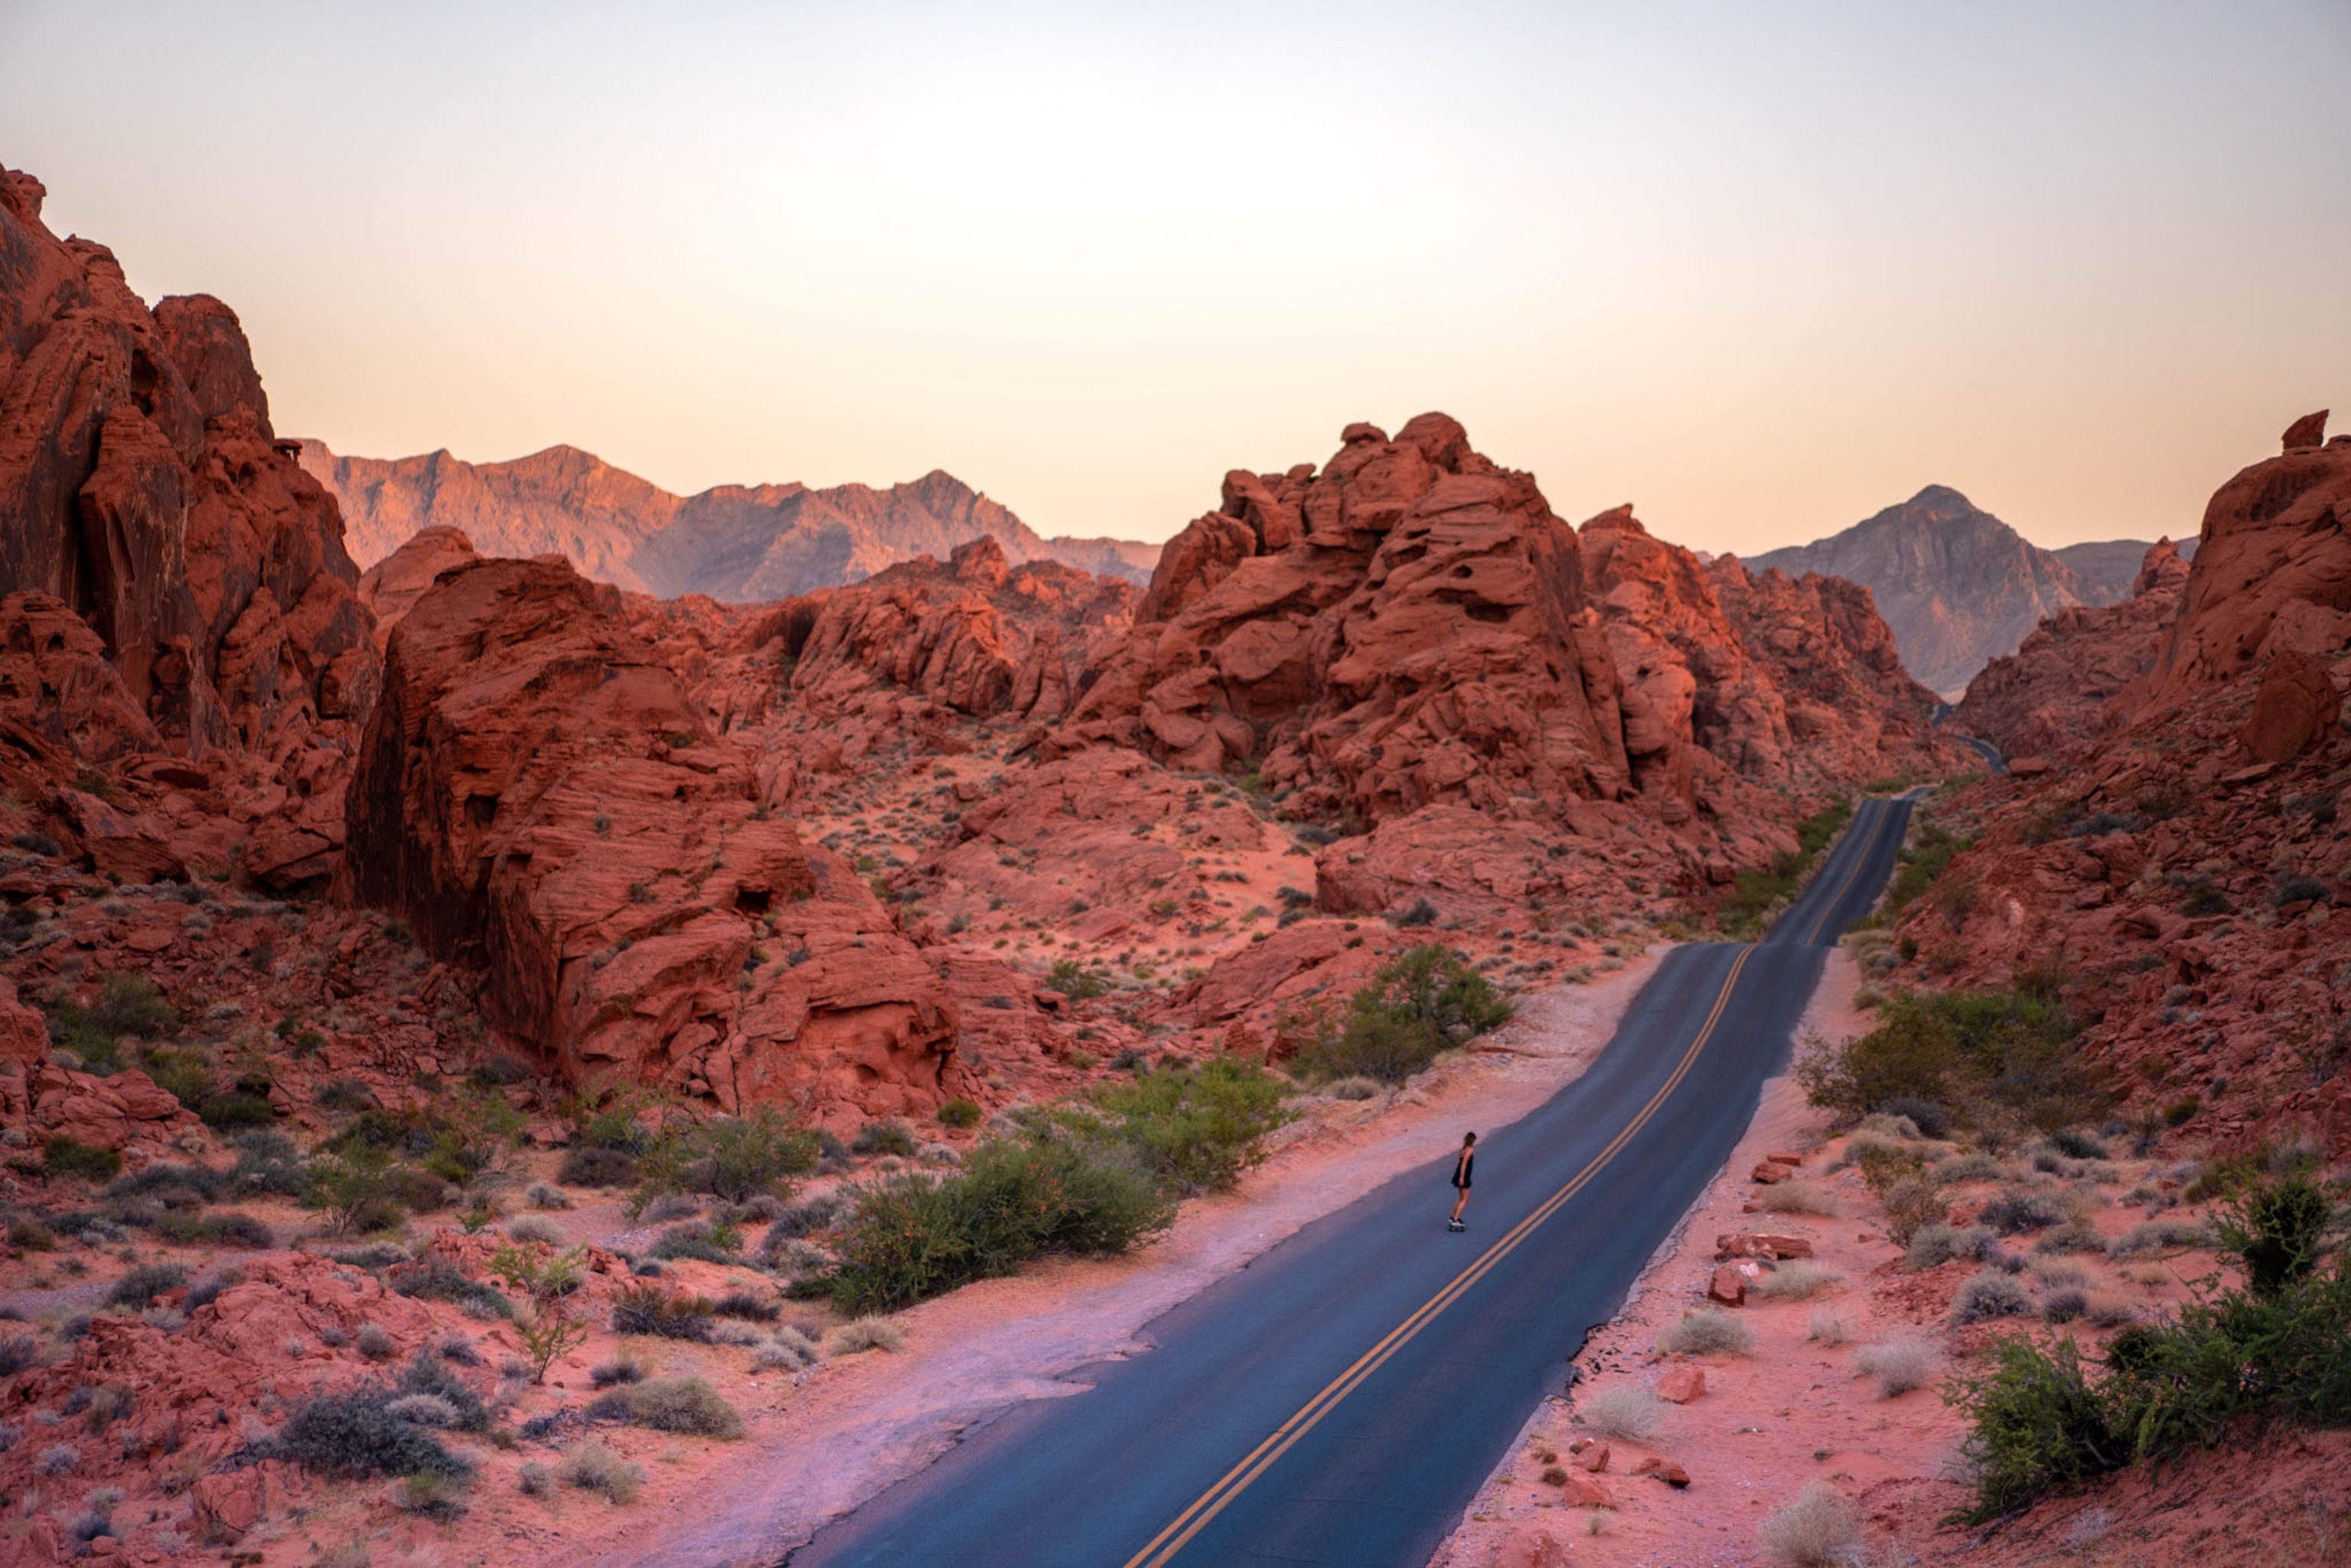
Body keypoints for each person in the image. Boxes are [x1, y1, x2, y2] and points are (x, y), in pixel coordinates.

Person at [1446, 1132, 1476, 1231]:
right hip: (1464, 1175)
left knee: (1461, 1197)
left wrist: (1459, 1176)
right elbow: (1463, 1164)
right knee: (1466, 1199)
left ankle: (1453, 1217)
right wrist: (1462, 1178)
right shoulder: (1470, 1150)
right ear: (1473, 1140)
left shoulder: (1462, 1150)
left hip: (1459, 1174)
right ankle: (1456, 1220)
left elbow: (1459, 1162)